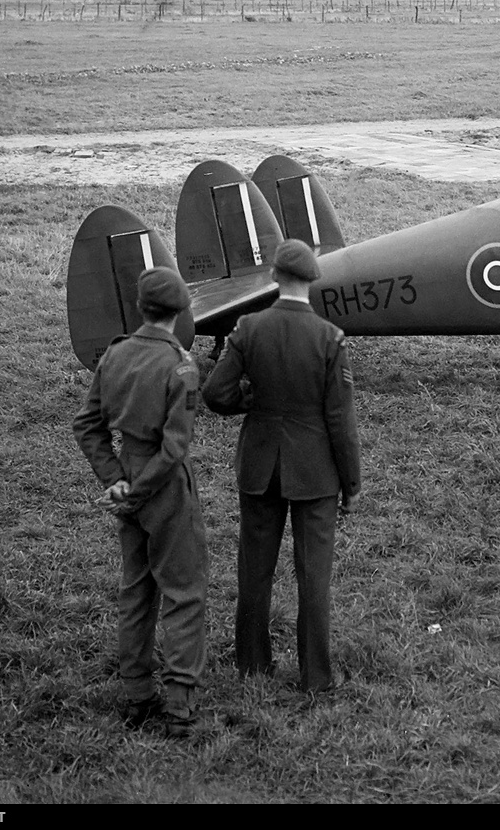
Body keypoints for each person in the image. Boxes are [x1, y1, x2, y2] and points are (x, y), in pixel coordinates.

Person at [202, 240, 361, 694]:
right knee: (314, 575)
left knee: (255, 570)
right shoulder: (329, 338)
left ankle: (252, 666)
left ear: (274, 278)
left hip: (259, 465)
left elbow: (216, 392)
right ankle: (316, 676)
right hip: (315, 473)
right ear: (312, 282)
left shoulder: (249, 328)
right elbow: (340, 420)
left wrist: (247, 401)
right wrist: (350, 483)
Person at [72, 266, 208, 735]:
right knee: (184, 592)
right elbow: (175, 447)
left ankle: (136, 693)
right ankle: (180, 705)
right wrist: (141, 491)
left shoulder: (115, 355)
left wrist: (116, 481)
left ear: (140, 307)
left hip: (128, 474)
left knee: (136, 589)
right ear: (182, 312)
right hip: (164, 485)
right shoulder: (181, 366)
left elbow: (87, 424)